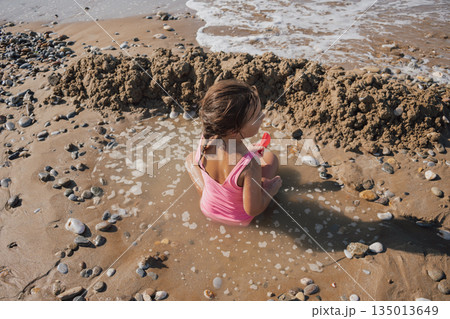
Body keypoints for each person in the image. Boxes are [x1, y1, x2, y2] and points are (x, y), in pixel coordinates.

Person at [185, 79, 282, 226]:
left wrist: (246, 153)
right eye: (257, 117)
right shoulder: (250, 164)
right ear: (234, 131)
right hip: (238, 219)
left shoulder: (206, 137)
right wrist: (269, 190)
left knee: (191, 159)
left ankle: (212, 194)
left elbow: (226, 156)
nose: (262, 117)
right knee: (270, 158)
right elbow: (252, 209)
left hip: (207, 208)